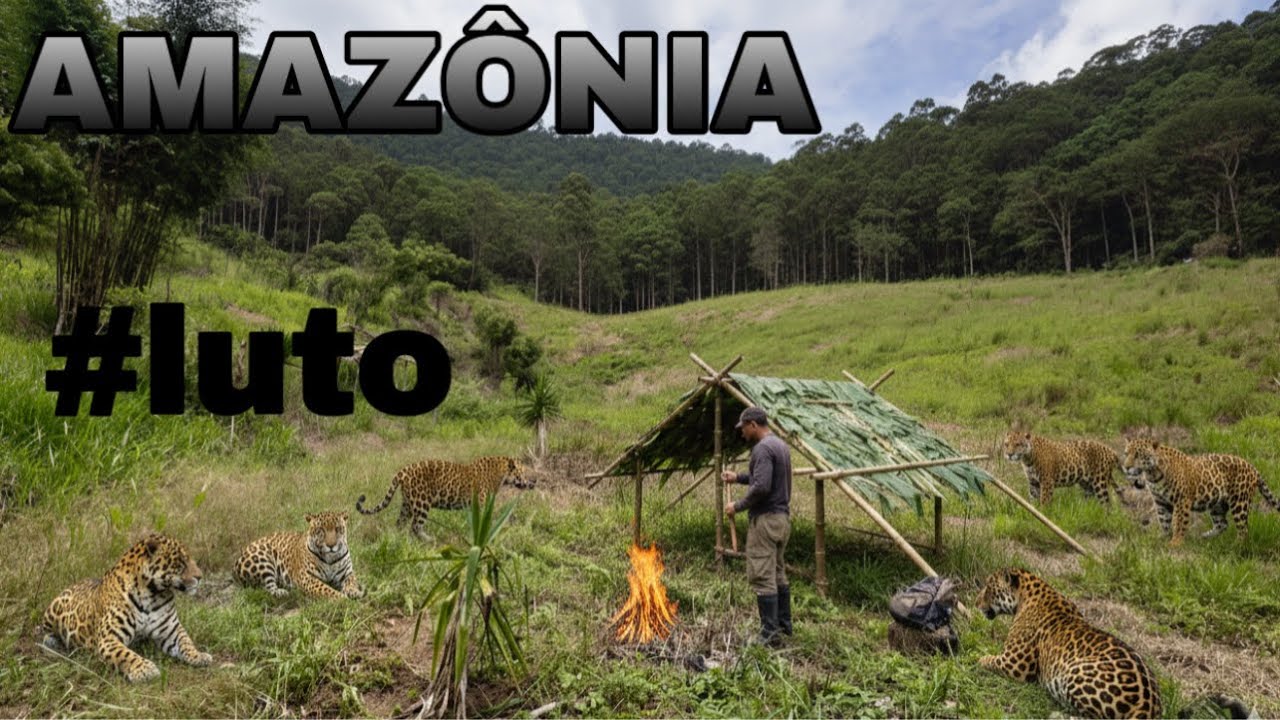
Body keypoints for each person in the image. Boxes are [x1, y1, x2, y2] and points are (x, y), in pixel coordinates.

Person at [722, 406, 793, 645]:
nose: (742, 434)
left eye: (743, 428)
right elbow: (765, 479)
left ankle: (769, 635)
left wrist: (738, 506)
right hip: (781, 519)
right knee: (777, 572)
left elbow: (762, 487)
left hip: (765, 521)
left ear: (753, 425)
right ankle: (784, 626)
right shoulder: (779, 446)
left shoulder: (762, 449)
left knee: (762, 574)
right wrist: (739, 477)